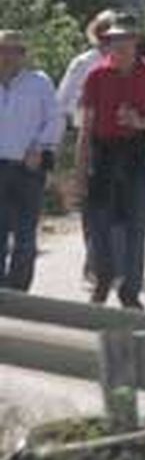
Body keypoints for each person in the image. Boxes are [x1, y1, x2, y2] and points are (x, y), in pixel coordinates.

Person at [77, 14, 145, 309]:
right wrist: (80, 170)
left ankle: (130, 290)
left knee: (136, 223)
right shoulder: (96, 76)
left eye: (125, 41)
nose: (120, 48)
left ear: (136, 43)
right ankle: (103, 276)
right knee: (99, 220)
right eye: (114, 41)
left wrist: (140, 121)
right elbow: (87, 125)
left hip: (135, 150)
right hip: (103, 150)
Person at [57, 9, 117, 284]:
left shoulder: (127, 62)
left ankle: (115, 260)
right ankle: (93, 260)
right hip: (90, 137)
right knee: (93, 202)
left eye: (113, 32)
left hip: (123, 138)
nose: (109, 39)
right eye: (104, 33)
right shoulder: (83, 63)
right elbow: (63, 101)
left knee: (122, 202)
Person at [0, 30, 63, 292]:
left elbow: (56, 120)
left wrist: (39, 146)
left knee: (25, 237)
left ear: (24, 55)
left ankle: (18, 293)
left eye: (16, 51)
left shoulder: (39, 83)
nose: (10, 56)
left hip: (28, 168)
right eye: (4, 50)